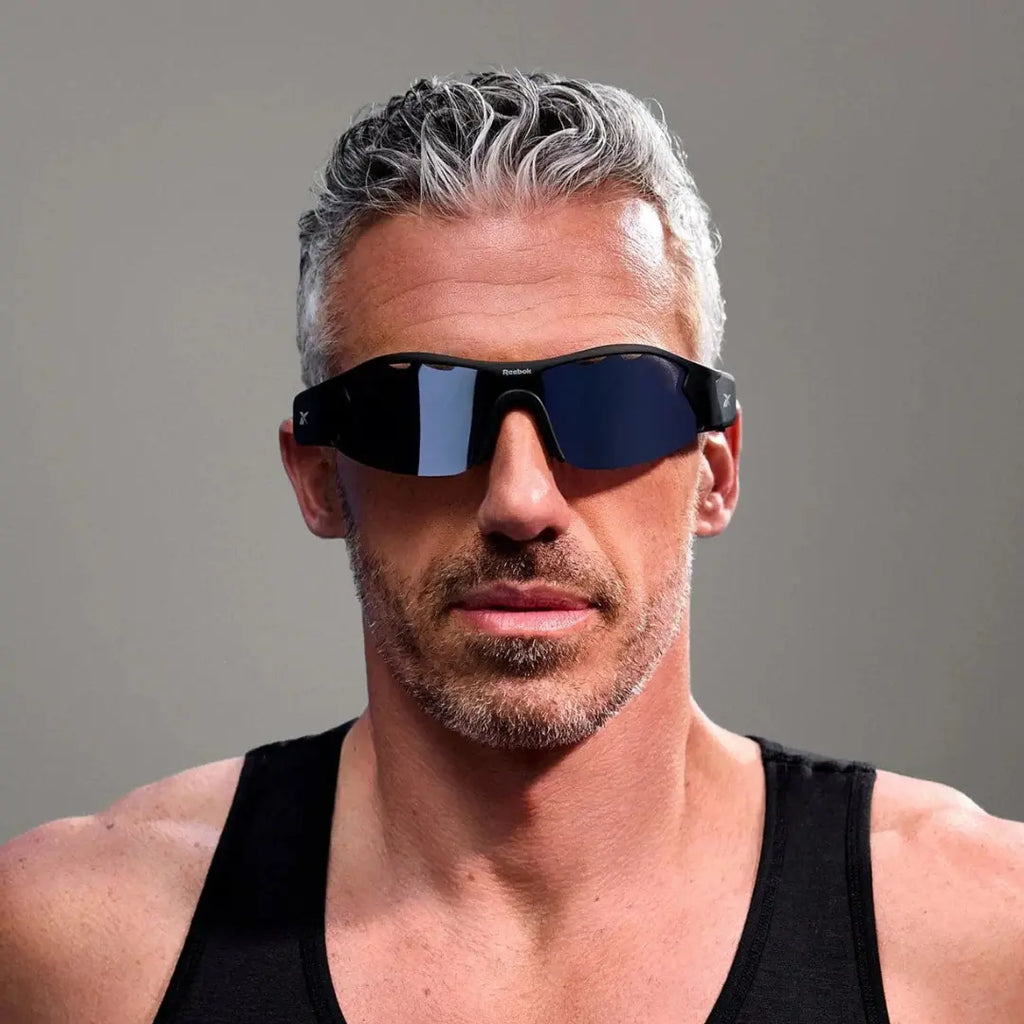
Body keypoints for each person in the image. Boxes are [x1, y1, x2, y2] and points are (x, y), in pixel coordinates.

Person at [1, 69, 1022, 1024]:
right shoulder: (83, 949)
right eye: (422, 411)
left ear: (714, 471)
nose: (521, 499)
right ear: (318, 477)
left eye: (613, 403)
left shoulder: (982, 940)